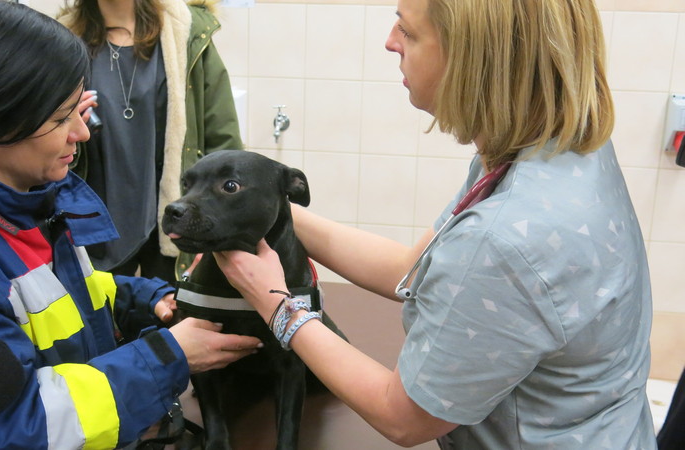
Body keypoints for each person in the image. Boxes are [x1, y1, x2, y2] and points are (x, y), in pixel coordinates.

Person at [211, 0, 656, 448]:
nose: (390, 42)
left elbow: (402, 417)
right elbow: (411, 267)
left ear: (472, 56)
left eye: (409, 32)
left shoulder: (504, 238)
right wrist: (271, 209)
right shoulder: (553, 144)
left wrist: (277, 304)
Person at [0, 1, 261, 448]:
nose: (81, 134)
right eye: (62, 118)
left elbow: (71, 300)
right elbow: (17, 431)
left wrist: (149, 299)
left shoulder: (26, 208)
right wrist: (168, 357)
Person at [58, 0, 243, 283]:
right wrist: (64, 120)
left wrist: (217, 224)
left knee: (173, 316)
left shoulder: (184, 32)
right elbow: (40, 140)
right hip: (95, 218)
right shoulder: (61, 38)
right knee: (102, 317)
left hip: (173, 216)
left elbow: (222, 141)